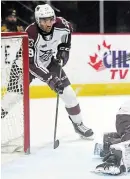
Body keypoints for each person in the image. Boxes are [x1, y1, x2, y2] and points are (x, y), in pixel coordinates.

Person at [1, 4, 93, 139]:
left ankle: (78, 125)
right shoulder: (30, 32)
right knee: (11, 98)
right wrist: (51, 79)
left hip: (48, 62)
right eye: (44, 20)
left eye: (50, 19)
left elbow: (67, 35)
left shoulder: (62, 25)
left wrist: (64, 50)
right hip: (24, 65)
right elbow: (31, 64)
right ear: (38, 21)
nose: (48, 23)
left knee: (69, 94)